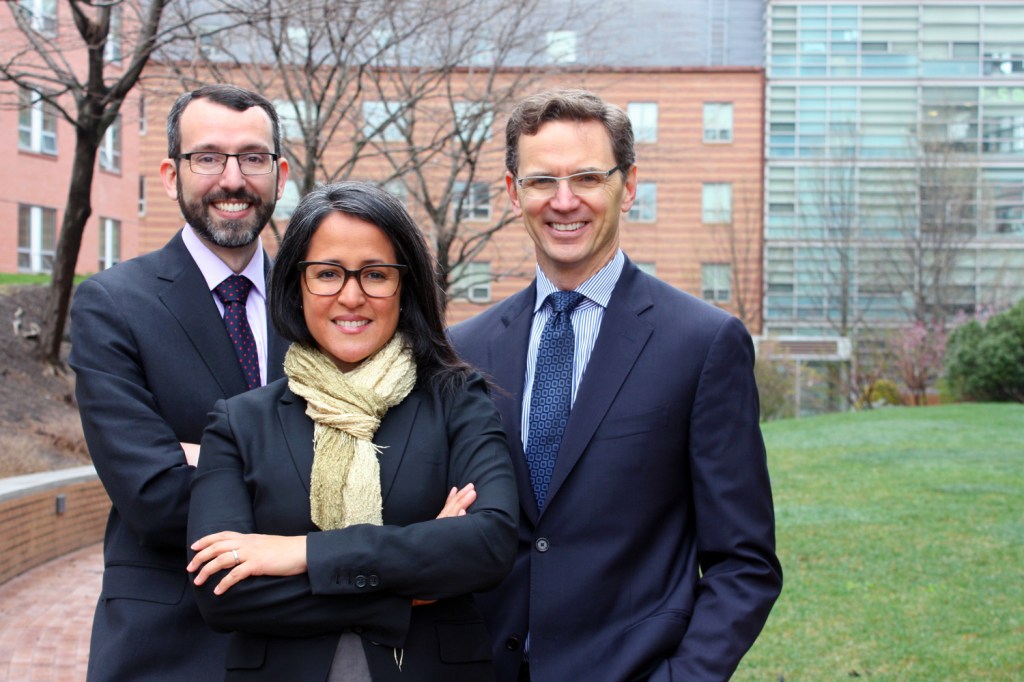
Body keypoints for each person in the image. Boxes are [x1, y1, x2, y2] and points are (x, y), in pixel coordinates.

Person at [448, 89, 783, 681]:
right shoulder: (465, 350)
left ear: (628, 187)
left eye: (586, 177)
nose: (564, 201)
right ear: (511, 192)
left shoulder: (702, 344)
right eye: (542, 181)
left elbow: (744, 562)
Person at [185, 181, 519, 681]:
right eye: (327, 274)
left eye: (375, 275)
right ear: (297, 285)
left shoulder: (456, 400)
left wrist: (298, 553)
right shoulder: (240, 422)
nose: (351, 296)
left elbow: (488, 545)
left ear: (404, 286)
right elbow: (222, 594)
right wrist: (406, 590)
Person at [69, 84, 291, 681]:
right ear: (171, 174)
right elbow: (154, 497)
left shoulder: (319, 302)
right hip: (170, 646)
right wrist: (311, 480)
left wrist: (208, 459)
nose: (233, 179)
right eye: (208, 157)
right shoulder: (113, 306)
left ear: (279, 172)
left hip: (310, 640)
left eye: (252, 157)